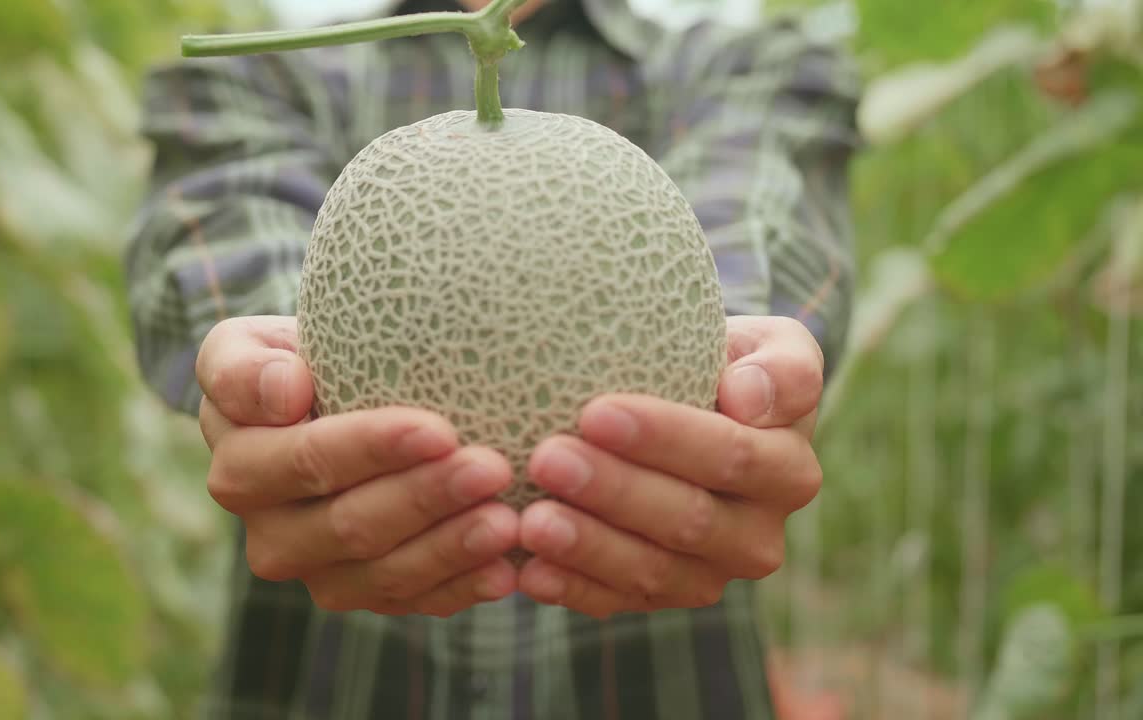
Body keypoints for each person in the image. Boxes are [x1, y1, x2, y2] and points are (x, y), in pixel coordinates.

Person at [125, 0, 859, 717]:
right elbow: (230, 230)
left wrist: (735, 364)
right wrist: (275, 383)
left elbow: (750, 214)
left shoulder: (742, 65)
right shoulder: (263, 74)